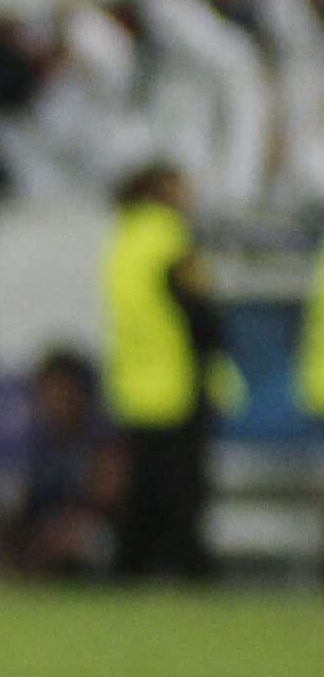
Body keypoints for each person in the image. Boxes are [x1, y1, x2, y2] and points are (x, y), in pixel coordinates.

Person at [100, 165, 225, 582]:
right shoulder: (170, 240)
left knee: (142, 488)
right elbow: (199, 313)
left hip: (133, 385)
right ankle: (189, 570)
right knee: (182, 490)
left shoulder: (124, 241)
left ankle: (129, 570)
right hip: (176, 382)